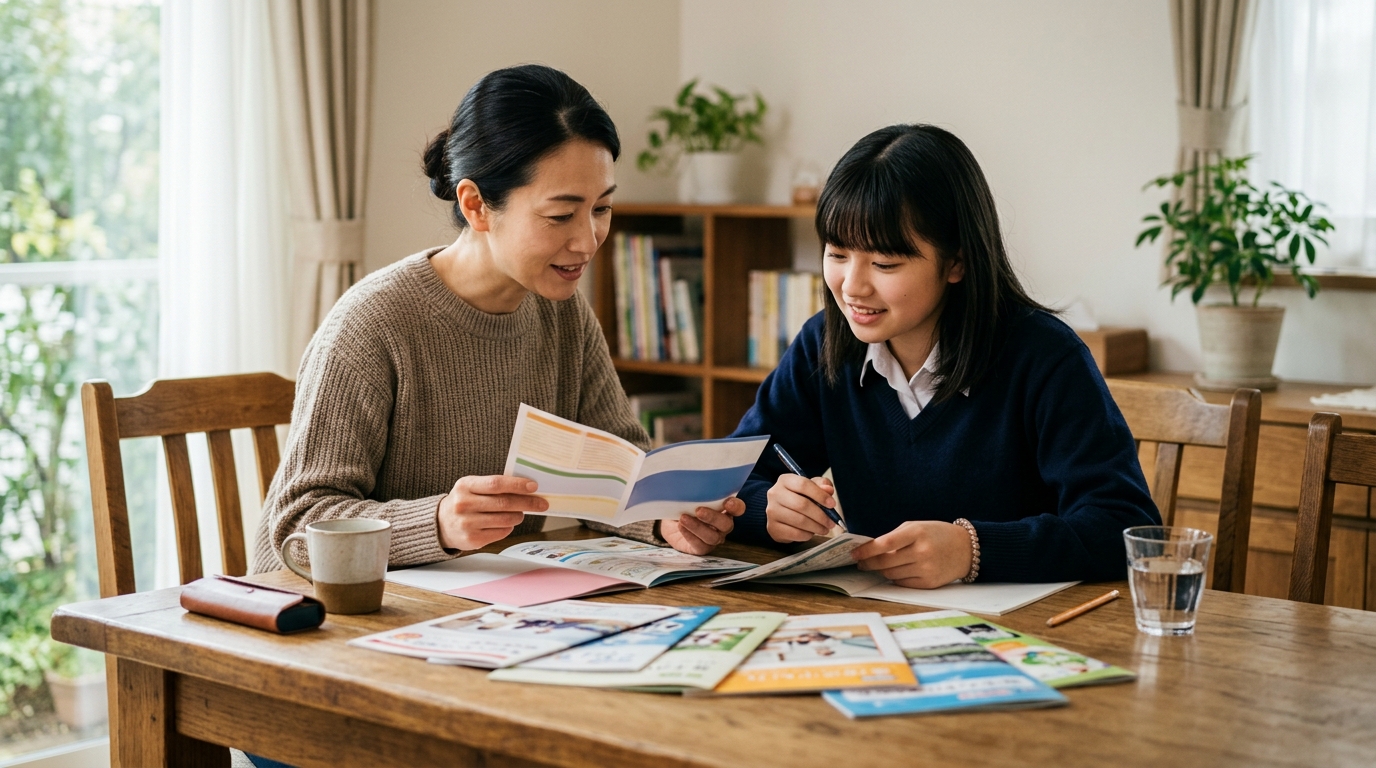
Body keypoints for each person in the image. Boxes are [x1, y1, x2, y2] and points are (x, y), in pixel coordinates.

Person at [250, 65, 740, 577]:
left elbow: (618, 475)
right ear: (476, 204)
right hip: (330, 615)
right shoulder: (371, 325)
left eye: (602, 208)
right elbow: (299, 525)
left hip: (478, 610)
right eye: (560, 216)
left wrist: (665, 521)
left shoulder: (562, 312)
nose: (588, 239)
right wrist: (437, 522)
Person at [726, 124, 1159, 586]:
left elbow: (1124, 527)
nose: (852, 287)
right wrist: (766, 508)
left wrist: (973, 550)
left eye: (885, 263)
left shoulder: (1045, 358)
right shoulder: (825, 343)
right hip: (875, 621)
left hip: (1025, 635)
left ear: (957, 262)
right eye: (837, 254)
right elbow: (732, 479)